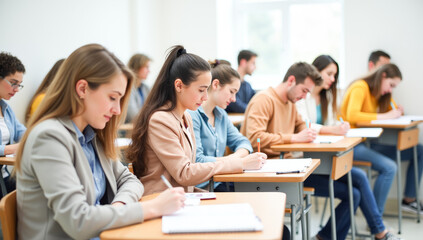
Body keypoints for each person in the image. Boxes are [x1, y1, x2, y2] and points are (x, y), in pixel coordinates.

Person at [15, 44, 185, 239]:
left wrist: (119, 206)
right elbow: (78, 221)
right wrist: (152, 208)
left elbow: (129, 180)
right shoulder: (49, 137)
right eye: (113, 98)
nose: (118, 111)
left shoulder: (91, 135)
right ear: (82, 89)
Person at [242, 62, 399, 240]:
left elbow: (303, 126)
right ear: (291, 80)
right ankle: (379, 233)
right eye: (304, 90)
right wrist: (293, 138)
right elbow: (255, 138)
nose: (304, 96)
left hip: (291, 166)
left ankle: (327, 237)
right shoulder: (264, 99)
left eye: (308, 92)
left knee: (354, 191)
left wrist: (327, 131)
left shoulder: (290, 102)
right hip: (271, 172)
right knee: (354, 188)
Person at [126, 45, 267, 196]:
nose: (205, 97)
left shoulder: (186, 116)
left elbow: (191, 170)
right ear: (179, 85)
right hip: (161, 203)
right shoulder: (160, 120)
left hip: (182, 198)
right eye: (201, 90)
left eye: (206, 90)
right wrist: (240, 163)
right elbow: (185, 172)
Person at [296, 55, 396, 215]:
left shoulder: (327, 96)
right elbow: (305, 125)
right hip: (307, 156)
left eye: (334, 75)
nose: (332, 79)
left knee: (357, 185)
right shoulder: (302, 95)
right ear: (316, 71)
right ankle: (379, 228)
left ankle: (378, 228)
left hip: (326, 151)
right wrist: (331, 129)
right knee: (361, 181)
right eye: (329, 74)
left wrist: (339, 126)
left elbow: (331, 123)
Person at [341, 63, 423, 214]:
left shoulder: (376, 94)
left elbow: (378, 118)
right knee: (389, 167)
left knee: (419, 150)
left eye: (394, 87)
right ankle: (376, 220)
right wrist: (386, 115)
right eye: (391, 85)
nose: (390, 90)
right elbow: (352, 116)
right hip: (352, 145)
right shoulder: (360, 87)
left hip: (368, 143)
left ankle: (409, 200)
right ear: (383, 76)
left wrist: (396, 113)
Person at [188, 60, 256, 191]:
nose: (234, 99)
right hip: (202, 188)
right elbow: (198, 160)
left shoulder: (221, 114)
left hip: (219, 181)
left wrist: (234, 158)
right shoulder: (192, 115)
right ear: (216, 84)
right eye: (232, 91)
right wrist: (234, 162)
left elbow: (243, 142)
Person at [0, 52, 26, 196]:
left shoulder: (6, 109)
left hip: (4, 176)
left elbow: (22, 132)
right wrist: (12, 149)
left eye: (19, 85)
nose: (16, 89)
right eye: (13, 83)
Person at [125, 53, 152, 123]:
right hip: (127, 131)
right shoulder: (127, 88)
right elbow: (133, 116)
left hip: (141, 127)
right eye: (146, 67)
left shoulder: (146, 88)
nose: (149, 71)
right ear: (137, 67)